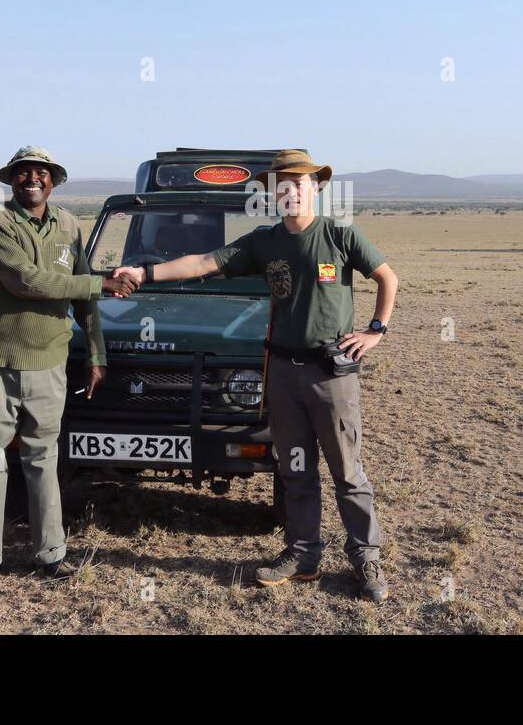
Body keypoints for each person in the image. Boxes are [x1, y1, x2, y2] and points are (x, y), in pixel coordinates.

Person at [116, 150, 398, 603]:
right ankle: (303, 554)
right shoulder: (263, 243)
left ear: (316, 188)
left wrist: (375, 330)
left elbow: (387, 277)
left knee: (348, 471)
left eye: (299, 184)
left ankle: (366, 557)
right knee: (296, 469)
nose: (290, 192)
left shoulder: (339, 234)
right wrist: (145, 272)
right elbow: (202, 262)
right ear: (273, 194)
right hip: (282, 371)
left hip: (330, 373)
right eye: (282, 185)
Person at [0, 145, 137, 588]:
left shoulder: (69, 224)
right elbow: (25, 281)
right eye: (23, 173)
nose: (32, 179)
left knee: (44, 457)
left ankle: (50, 555)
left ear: (53, 181)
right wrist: (102, 280)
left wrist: (95, 352)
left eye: (41, 173)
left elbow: (83, 297)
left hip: (50, 362)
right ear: (10, 180)